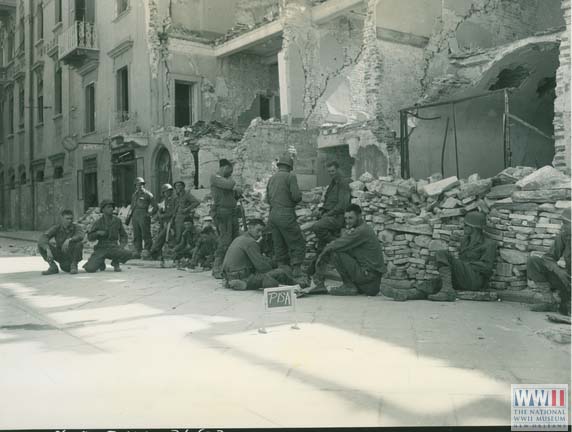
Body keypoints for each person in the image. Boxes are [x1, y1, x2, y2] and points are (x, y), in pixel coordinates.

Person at [304, 204, 384, 296]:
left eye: (351, 218)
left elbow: (334, 245)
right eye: (346, 218)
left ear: (359, 216)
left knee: (335, 251)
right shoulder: (363, 228)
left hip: (369, 277)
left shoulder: (361, 231)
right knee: (340, 249)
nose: (347, 222)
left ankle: (349, 286)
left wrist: (320, 258)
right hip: (371, 279)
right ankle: (353, 285)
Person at [425, 211, 497, 302]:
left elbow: (487, 267)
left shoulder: (489, 244)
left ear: (473, 228)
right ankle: (410, 294)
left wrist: (464, 265)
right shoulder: (465, 241)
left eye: (466, 225)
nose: (464, 227)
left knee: (442, 253)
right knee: (435, 283)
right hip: (463, 277)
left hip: (474, 280)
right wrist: (461, 266)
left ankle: (447, 292)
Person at [222, 219, 296, 291]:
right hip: (242, 277)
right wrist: (274, 267)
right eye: (258, 230)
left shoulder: (239, 239)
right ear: (250, 228)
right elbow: (262, 267)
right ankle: (297, 285)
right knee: (279, 273)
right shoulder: (250, 242)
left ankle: (232, 282)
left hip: (229, 276)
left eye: (261, 231)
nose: (260, 234)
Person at [266, 153, 305, 278]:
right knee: (297, 241)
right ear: (290, 167)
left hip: (272, 214)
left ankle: (282, 269)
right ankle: (297, 269)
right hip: (286, 213)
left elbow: (267, 199)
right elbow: (296, 196)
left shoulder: (272, 178)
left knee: (279, 243)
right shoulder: (290, 177)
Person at [308, 160, 351, 275]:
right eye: (329, 171)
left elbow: (343, 205)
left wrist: (328, 214)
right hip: (330, 215)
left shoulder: (343, 182)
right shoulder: (333, 182)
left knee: (317, 227)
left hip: (337, 217)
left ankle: (336, 242)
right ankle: (316, 270)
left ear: (337, 169)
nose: (331, 173)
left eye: (332, 171)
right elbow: (328, 201)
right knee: (321, 246)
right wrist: (321, 210)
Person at [527, 208, 571, 316]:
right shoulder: (564, 236)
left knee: (566, 311)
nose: (562, 226)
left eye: (565, 223)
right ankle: (549, 302)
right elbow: (548, 258)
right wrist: (559, 272)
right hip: (567, 279)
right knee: (533, 261)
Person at [210, 159, 242, 278]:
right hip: (222, 213)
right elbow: (230, 185)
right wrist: (233, 184)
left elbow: (232, 192)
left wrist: (237, 193)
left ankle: (229, 266)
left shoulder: (225, 179)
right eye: (230, 170)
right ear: (224, 167)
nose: (231, 173)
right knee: (224, 241)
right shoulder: (215, 177)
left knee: (234, 240)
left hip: (231, 212)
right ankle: (217, 268)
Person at [83, 200, 133, 272]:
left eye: (112, 207)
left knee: (130, 253)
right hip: (101, 248)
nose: (112, 209)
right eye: (109, 207)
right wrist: (97, 233)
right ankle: (100, 262)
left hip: (114, 247)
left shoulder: (117, 221)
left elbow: (123, 235)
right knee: (90, 269)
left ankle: (116, 261)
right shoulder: (98, 222)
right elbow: (90, 237)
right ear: (103, 209)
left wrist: (122, 246)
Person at [37, 209, 84, 275]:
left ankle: (74, 265)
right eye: (67, 219)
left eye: (71, 219)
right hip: (61, 255)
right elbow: (44, 237)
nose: (69, 221)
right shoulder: (56, 228)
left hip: (71, 256)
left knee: (79, 244)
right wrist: (47, 249)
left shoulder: (76, 227)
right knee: (41, 245)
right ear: (62, 218)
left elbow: (81, 235)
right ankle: (53, 267)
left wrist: (69, 240)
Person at [125, 177, 157, 259]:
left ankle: (147, 250)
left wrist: (149, 213)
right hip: (135, 215)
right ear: (135, 186)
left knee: (146, 233)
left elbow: (155, 207)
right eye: (137, 185)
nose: (139, 186)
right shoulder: (134, 194)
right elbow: (132, 206)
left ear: (143, 185)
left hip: (143, 215)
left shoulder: (148, 194)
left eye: (141, 184)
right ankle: (138, 251)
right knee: (136, 234)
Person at [149, 183, 178, 261]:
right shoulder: (166, 200)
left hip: (171, 222)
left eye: (168, 191)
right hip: (164, 222)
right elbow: (164, 209)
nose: (167, 193)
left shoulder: (175, 199)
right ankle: (157, 254)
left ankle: (153, 251)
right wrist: (160, 212)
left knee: (165, 237)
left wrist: (163, 216)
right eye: (165, 192)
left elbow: (173, 212)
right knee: (160, 236)